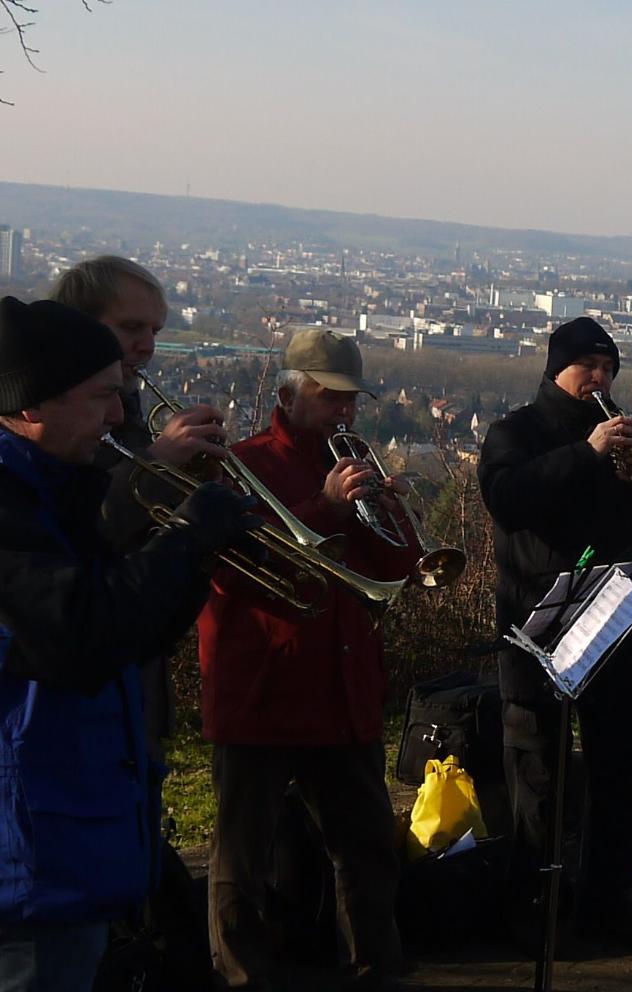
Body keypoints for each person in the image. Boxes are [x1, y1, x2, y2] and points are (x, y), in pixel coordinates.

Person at [0, 296, 254, 992]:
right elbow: (80, 635)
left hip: (67, 848)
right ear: (31, 408)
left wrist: (198, 561)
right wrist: (185, 538)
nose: (119, 417)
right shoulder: (12, 502)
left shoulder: (60, 490)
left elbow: (128, 636)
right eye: (102, 398)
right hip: (28, 867)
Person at [198, 329, 415, 990]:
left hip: (342, 691)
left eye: (351, 401)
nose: (344, 413)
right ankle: (242, 979)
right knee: (242, 860)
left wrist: (386, 514)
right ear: (290, 394)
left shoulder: (358, 466)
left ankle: (376, 973)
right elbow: (229, 569)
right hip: (261, 692)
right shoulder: (241, 465)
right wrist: (323, 505)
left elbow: (399, 568)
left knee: (368, 851)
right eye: (329, 399)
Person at [479, 316, 632, 948]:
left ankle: (607, 905)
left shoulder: (620, 434)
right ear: (557, 368)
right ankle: (532, 910)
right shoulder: (515, 431)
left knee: (615, 772)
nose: (599, 378)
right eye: (587, 367)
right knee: (537, 774)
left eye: (608, 368)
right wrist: (588, 453)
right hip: (538, 628)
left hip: (610, 627)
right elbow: (508, 499)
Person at [51, 255, 228, 758]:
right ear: (79, 325)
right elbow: (72, 530)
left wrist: (197, 498)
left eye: (154, 330)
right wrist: (158, 463)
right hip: (78, 700)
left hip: (137, 687)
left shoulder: (128, 416)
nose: (147, 346)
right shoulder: (56, 429)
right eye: (131, 327)